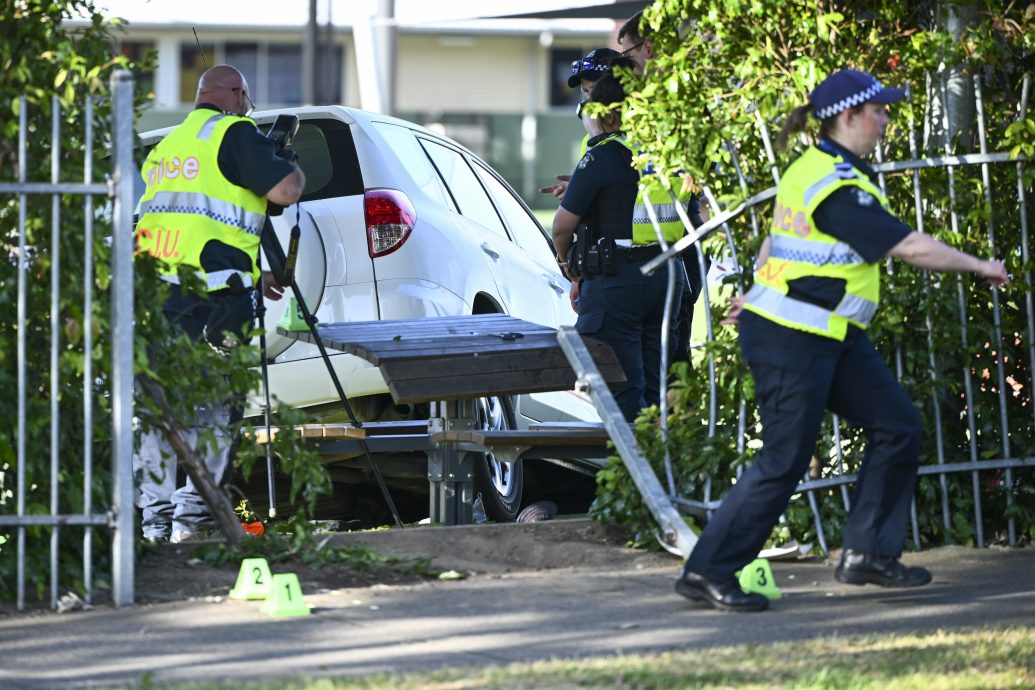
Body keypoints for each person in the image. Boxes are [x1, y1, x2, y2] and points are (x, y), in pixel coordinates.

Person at [675, 69, 1009, 612]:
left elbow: (776, 241)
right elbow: (908, 246)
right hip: (791, 336)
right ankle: (707, 571)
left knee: (897, 424)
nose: (886, 119)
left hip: (828, 333)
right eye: (879, 110)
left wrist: (757, 289)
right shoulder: (835, 184)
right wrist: (979, 265)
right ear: (850, 116)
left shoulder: (822, 168)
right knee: (785, 457)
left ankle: (866, 554)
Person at [133, 64, 305, 543]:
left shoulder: (166, 146)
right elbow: (285, 191)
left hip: (156, 296)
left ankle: (154, 523)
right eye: (246, 100)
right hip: (213, 301)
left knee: (158, 411)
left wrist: (256, 274)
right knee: (213, 412)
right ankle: (193, 521)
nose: (247, 109)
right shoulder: (234, 132)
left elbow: (189, 223)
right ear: (235, 94)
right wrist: (287, 160)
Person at [552, 70, 686, 421]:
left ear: (610, 114)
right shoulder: (667, 155)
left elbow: (562, 227)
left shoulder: (604, 156)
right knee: (654, 387)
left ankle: (632, 457)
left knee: (620, 389)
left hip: (619, 280)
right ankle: (658, 452)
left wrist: (567, 266)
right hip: (667, 274)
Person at [618, 10, 707, 369]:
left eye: (628, 54)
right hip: (663, 248)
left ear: (649, 48)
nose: (626, 65)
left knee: (670, 353)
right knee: (660, 355)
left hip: (677, 244)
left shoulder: (671, 99)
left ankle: (673, 404)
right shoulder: (662, 98)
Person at [539, 47, 621, 200]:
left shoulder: (640, 129)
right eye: (586, 91)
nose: (590, 99)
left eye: (595, 89)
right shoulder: (590, 137)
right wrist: (582, 182)